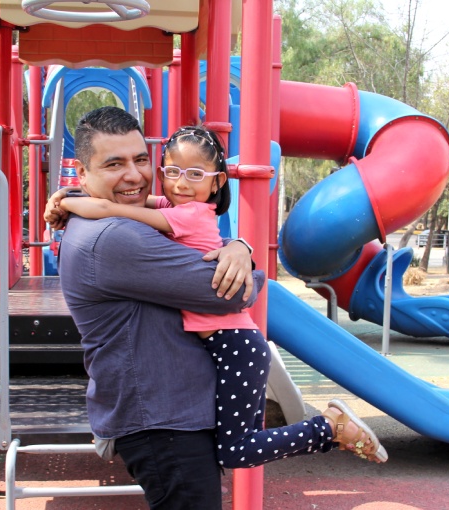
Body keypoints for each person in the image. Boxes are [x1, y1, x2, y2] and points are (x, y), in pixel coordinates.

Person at [47, 123, 388, 472]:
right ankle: (329, 428)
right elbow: (133, 200)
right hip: (230, 344)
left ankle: (329, 428)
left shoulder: (187, 213)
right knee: (239, 445)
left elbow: (111, 209)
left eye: (195, 174)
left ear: (217, 182)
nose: (181, 182)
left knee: (236, 450)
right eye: (173, 171)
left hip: (235, 346)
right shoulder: (171, 204)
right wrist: (69, 194)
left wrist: (70, 202)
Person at [44, 107, 262, 509]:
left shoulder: (130, 220)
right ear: (83, 171)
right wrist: (246, 262)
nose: (134, 175)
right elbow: (233, 294)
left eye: (140, 159)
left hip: (167, 413)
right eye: (114, 164)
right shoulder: (114, 237)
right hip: (162, 420)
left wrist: (240, 247)